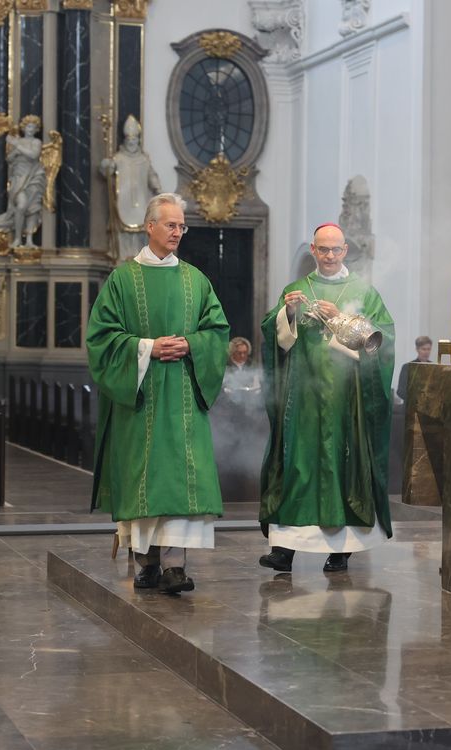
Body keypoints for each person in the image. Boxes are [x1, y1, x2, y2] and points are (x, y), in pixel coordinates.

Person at [87, 192, 230, 594]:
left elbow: (217, 332)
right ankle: (145, 563)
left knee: (182, 482)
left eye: (182, 226)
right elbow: (101, 337)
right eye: (171, 225)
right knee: (142, 481)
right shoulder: (122, 279)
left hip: (183, 395)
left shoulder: (195, 279)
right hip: (141, 397)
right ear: (149, 226)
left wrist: (191, 345)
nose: (177, 232)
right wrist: (147, 347)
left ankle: (174, 565)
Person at [258, 222, 395, 573]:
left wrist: (342, 319)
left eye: (336, 249)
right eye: (323, 249)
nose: (330, 255)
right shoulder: (296, 288)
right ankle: (285, 548)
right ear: (314, 251)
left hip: (346, 398)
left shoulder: (364, 292)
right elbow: (276, 337)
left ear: (345, 250)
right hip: (302, 397)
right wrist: (287, 313)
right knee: (298, 465)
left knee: (341, 467)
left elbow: (383, 340)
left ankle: (342, 549)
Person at [100, 115, 162, 261]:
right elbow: (107, 172)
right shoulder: (118, 158)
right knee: (123, 226)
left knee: (141, 227)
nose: (132, 142)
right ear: (125, 140)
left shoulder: (144, 159)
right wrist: (106, 165)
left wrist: (158, 188)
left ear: (138, 140)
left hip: (141, 198)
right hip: (124, 199)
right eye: (129, 140)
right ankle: (122, 253)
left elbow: (151, 175)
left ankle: (139, 252)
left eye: (134, 139)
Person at [0, 115, 46, 248]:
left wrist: (17, 145)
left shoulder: (36, 142)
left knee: (33, 208)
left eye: (33, 127)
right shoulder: (19, 141)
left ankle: (30, 240)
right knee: (21, 206)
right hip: (18, 177)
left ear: (37, 129)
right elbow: (9, 159)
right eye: (28, 126)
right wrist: (14, 152)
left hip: (34, 176)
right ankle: (18, 238)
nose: (30, 129)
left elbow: (34, 155)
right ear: (23, 127)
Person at [395, 335, 432, 401]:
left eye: (428, 349)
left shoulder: (434, 368)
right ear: (417, 349)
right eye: (423, 349)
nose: (426, 352)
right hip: (411, 407)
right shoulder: (407, 367)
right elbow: (400, 391)